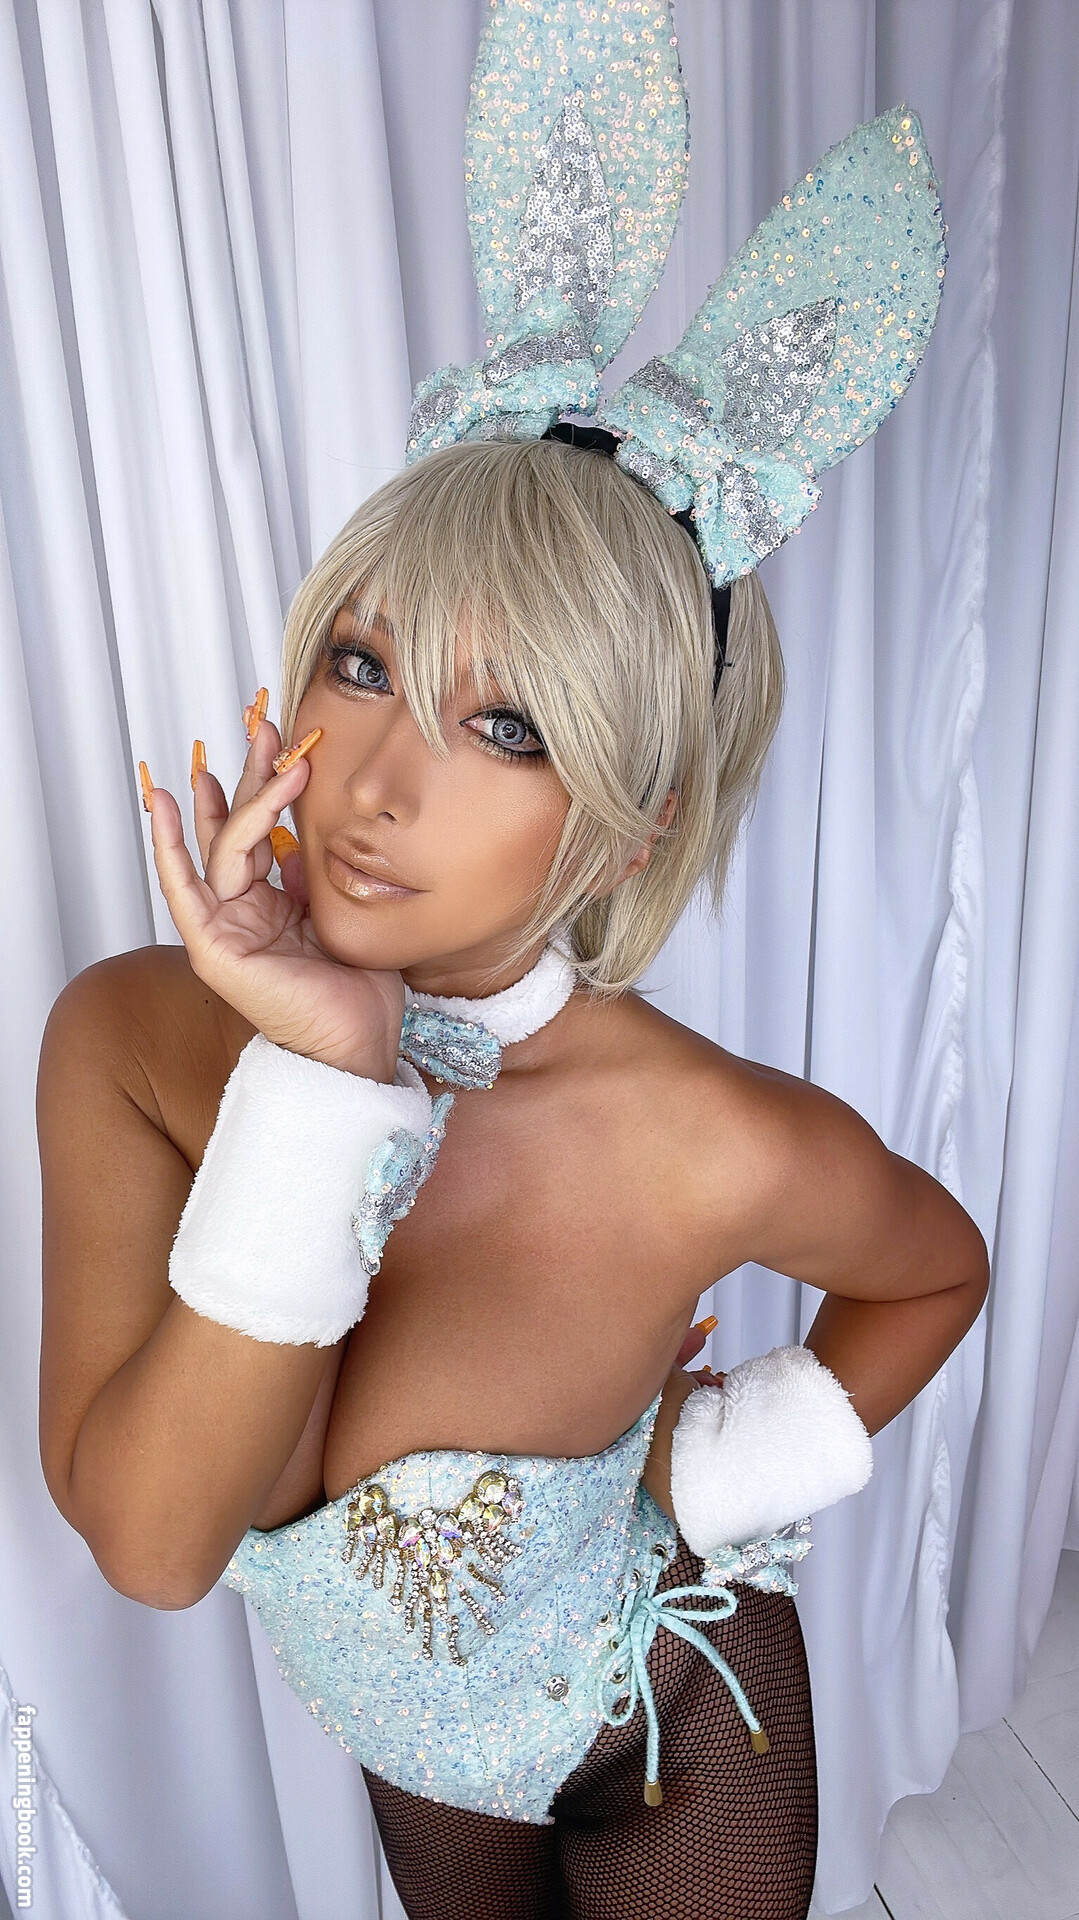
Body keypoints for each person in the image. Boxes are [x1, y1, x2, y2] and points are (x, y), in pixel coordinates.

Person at [37, 6, 985, 1911]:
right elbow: (154, 1542)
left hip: (674, 1718)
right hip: (424, 1750)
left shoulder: (704, 1134)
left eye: (510, 727)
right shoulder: (133, 1040)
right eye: (364, 662)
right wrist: (326, 1070)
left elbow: (937, 1271)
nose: (378, 780)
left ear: (631, 823)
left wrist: (704, 1474)